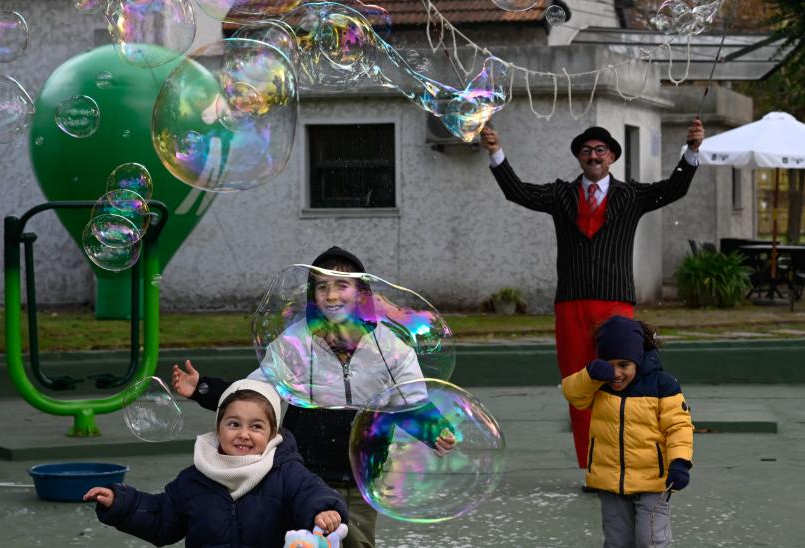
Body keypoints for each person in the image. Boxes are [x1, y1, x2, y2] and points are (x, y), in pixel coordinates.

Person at [172, 246, 456, 548]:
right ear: (312, 295)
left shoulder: (390, 347)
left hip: (359, 476)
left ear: (361, 293)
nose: (331, 296)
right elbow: (257, 393)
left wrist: (434, 430)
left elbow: (409, 401)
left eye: (341, 286)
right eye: (323, 287)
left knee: (357, 542)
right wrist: (203, 387)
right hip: (301, 477)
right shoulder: (295, 342)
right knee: (305, 544)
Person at [481, 120, 704, 471]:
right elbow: (518, 192)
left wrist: (691, 150)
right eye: (586, 151)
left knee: (620, 379)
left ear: (612, 157)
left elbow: (673, 189)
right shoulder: (560, 195)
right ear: (579, 159)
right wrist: (496, 152)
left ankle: (619, 460)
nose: (593, 155)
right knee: (578, 383)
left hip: (616, 302)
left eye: (601, 150)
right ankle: (590, 465)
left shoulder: (630, 196)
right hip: (571, 302)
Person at [84, 379, 348, 547]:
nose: (244, 434)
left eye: (256, 426)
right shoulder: (194, 478)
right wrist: (121, 503)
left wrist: (323, 511)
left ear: (272, 433)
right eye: (233, 424)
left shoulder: (287, 472)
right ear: (218, 428)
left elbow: (312, 493)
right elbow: (162, 518)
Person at [561, 315, 694, 547]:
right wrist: (589, 374)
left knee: (650, 540)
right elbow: (573, 394)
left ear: (638, 359)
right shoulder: (598, 385)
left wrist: (680, 461)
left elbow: (678, 427)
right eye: (609, 365)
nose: (616, 374)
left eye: (624, 365)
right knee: (617, 541)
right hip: (611, 483)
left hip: (653, 482)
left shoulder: (663, 384)